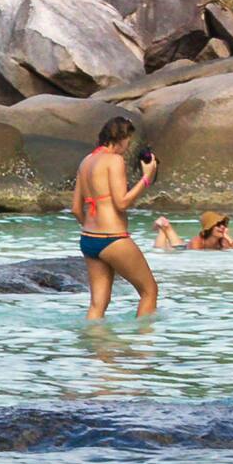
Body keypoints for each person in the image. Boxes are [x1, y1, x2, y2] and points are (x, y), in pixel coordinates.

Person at [73, 120, 161, 318]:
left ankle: (97, 348)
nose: (128, 146)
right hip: (112, 237)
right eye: (128, 140)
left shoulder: (86, 161)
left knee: (98, 305)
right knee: (149, 291)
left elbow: (76, 208)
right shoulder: (114, 160)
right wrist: (146, 178)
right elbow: (121, 203)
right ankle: (142, 348)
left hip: (88, 238)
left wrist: (92, 227)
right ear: (120, 138)